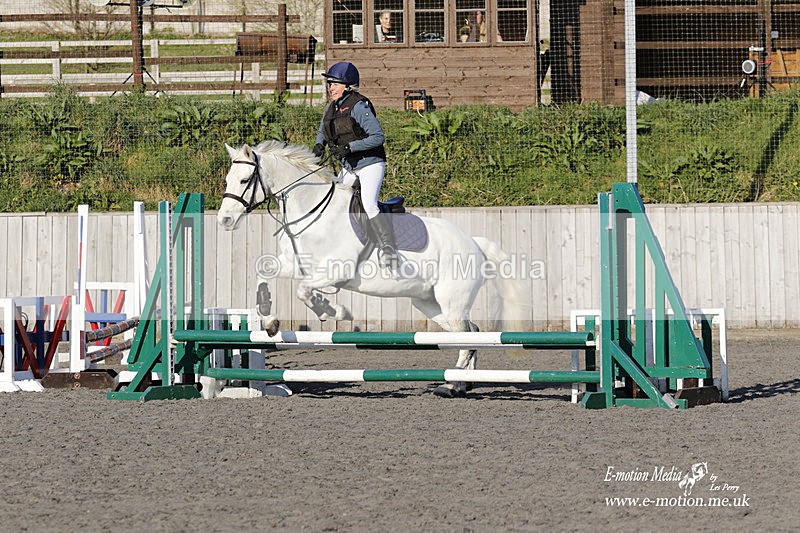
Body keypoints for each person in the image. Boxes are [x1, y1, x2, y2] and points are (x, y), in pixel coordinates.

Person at [312, 62, 397, 269]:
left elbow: (378, 137)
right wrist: (318, 145)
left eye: (335, 83)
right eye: (329, 83)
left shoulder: (359, 106)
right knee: (335, 201)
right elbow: (324, 130)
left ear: (348, 86)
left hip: (370, 164)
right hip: (349, 166)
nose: (330, 87)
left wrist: (350, 147)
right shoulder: (331, 107)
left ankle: (388, 248)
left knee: (368, 204)